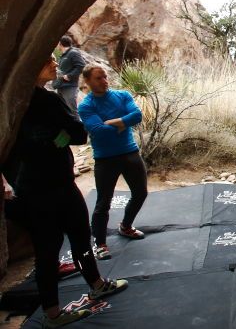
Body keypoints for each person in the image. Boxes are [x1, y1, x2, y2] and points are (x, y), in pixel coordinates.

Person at [7, 55, 127, 327]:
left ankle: (93, 286)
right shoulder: (39, 100)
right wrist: (57, 139)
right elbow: (74, 131)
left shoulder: (33, 97)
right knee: (53, 248)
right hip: (43, 187)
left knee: (73, 239)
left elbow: (74, 133)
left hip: (46, 183)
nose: (52, 61)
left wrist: (56, 138)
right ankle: (54, 313)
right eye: (45, 59)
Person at [78, 65, 147, 260]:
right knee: (103, 203)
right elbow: (97, 130)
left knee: (140, 193)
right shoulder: (86, 105)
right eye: (99, 78)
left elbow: (137, 116)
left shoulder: (122, 95)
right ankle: (100, 243)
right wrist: (122, 124)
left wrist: (112, 122)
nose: (104, 81)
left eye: (105, 77)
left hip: (129, 152)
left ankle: (125, 226)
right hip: (105, 158)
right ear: (88, 82)